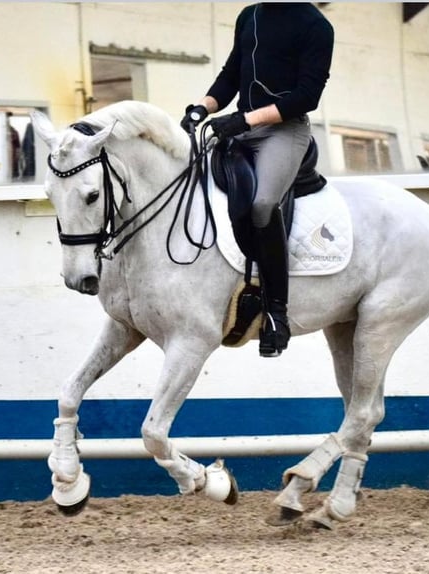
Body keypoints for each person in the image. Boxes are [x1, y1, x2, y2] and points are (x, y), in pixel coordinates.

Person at [180, 2, 334, 358]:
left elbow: (306, 97)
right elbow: (231, 75)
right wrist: (201, 108)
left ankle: (276, 313)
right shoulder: (249, 15)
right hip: (243, 125)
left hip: (283, 131)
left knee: (263, 204)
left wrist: (245, 121)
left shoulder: (316, 26)